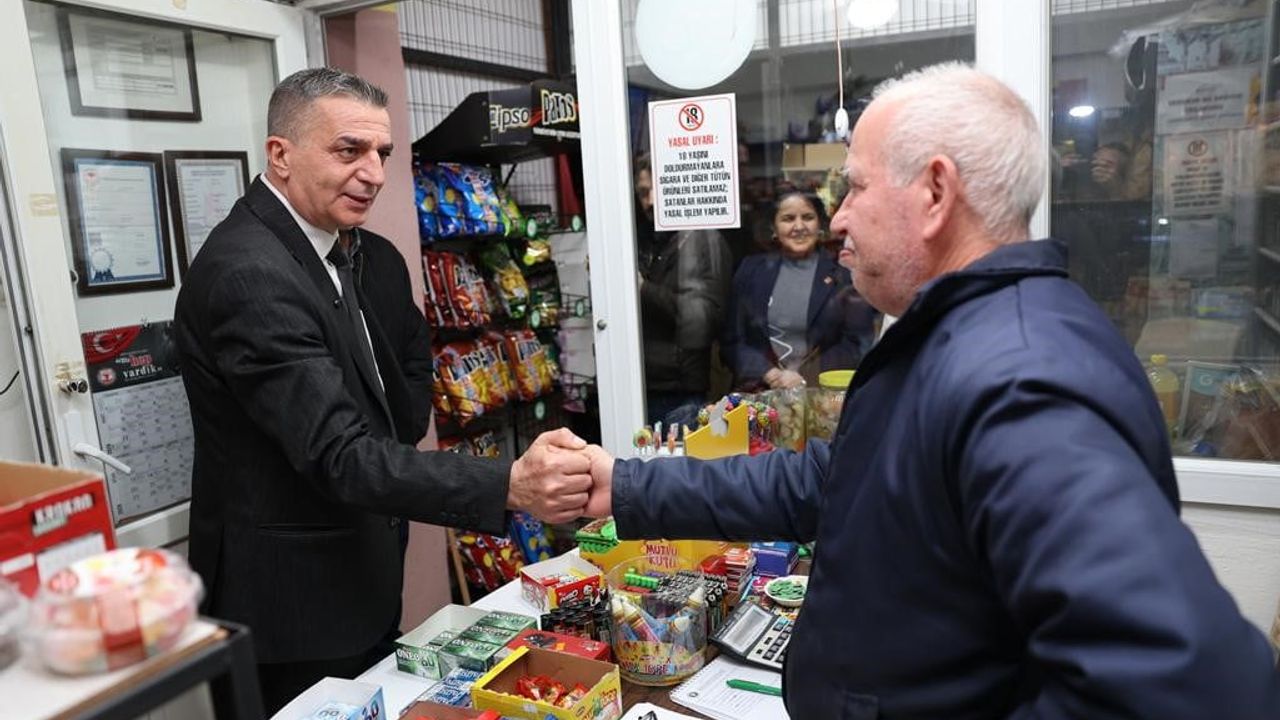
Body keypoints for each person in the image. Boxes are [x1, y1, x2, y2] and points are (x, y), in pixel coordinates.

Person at [581, 63, 1280, 719]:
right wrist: (626, 486)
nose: (839, 218)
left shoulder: (1022, 377)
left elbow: (1190, 686)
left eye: (855, 187)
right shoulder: (957, 337)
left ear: (936, 193)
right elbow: (830, 483)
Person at [173, 68, 592, 712]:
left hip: (361, 572)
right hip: (292, 609)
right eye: (349, 150)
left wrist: (395, 440)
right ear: (280, 155)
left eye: (382, 153)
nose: (373, 173)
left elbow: (407, 365)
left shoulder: (363, 253)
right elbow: (340, 454)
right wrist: (508, 484)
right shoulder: (249, 275)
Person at [720, 190, 875, 390]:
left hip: (820, 394)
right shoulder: (750, 271)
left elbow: (856, 342)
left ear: (820, 225)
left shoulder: (843, 276)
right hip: (759, 393)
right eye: (788, 219)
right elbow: (731, 340)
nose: (799, 226)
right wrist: (769, 373)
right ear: (774, 228)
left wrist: (805, 376)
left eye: (808, 217)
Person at [632, 153, 732, 427]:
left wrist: (642, 289)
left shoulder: (702, 239)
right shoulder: (655, 239)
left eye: (658, 191)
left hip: (678, 391)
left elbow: (701, 319)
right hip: (647, 383)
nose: (650, 201)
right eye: (643, 193)